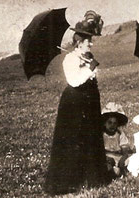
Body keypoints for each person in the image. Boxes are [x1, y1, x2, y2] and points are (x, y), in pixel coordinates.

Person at [44, 11, 109, 195]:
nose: (91, 43)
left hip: (89, 101)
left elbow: (92, 78)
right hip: (74, 103)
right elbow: (74, 81)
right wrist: (89, 69)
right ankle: (67, 181)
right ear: (79, 43)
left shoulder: (88, 56)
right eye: (89, 41)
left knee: (89, 136)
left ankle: (91, 177)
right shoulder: (70, 59)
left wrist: (91, 68)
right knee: (72, 139)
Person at [102, 102, 132, 178]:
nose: (112, 125)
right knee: (105, 164)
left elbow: (125, 149)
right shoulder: (102, 134)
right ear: (104, 123)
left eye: (115, 123)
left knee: (129, 161)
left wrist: (123, 158)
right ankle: (112, 172)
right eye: (109, 123)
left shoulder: (120, 134)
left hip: (118, 157)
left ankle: (120, 171)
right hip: (106, 157)